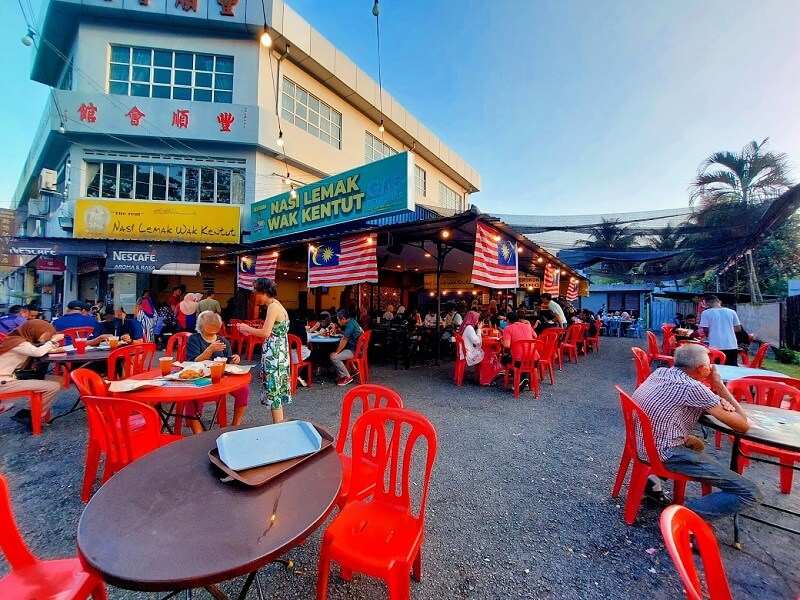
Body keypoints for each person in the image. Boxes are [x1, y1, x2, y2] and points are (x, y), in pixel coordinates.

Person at [632, 343, 760, 519]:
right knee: (750, 493)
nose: (712, 369)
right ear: (701, 369)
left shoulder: (661, 372)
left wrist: (714, 400)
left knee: (696, 444)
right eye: (710, 365)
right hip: (664, 452)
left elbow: (688, 401)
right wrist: (720, 387)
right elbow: (743, 424)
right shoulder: (693, 388)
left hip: (643, 443)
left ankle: (653, 480)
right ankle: (686, 516)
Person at [236, 278, 290, 424]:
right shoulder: (278, 305)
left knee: (274, 392)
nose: (255, 296)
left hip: (274, 355)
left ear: (265, 292)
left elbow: (266, 333)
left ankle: (279, 427)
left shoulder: (273, 307)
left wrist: (247, 328)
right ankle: (279, 424)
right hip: (280, 353)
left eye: (256, 292)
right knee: (276, 392)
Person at [185, 311, 247, 433]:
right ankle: (198, 434)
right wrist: (210, 349)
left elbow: (228, 360)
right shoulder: (194, 339)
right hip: (200, 376)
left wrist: (235, 358)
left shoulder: (223, 341)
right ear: (202, 326)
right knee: (192, 396)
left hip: (220, 378)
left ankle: (235, 426)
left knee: (243, 390)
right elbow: (193, 361)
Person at [0, 321, 64, 429]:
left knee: (58, 380)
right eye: (46, 333)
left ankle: (27, 412)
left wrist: (50, 346)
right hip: (3, 382)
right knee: (53, 386)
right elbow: (37, 352)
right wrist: (52, 341)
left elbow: (36, 349)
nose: (48, 336)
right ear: (35, 331)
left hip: (9, 377)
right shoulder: (18, 343)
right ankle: (33, 416)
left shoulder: (16, 340)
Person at [699, 295, 742, 366]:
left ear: (709, 303)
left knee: (717, 367)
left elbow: (705, 329)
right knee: (732, 368)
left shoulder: (706, 313)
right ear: (719, 302)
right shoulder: (732, 312)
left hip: (715, 345)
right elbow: (738, 328)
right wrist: (727, 330)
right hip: (731, 345)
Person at [330, 309, 363, 387]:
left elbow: (345, 339)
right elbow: (346, 335)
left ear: (343, 319)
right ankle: (354, 370)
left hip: (354, 350)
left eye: (338, 320)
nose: (338, 322)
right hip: (358, 348)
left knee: (334, 357)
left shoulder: (350, 325)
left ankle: (346, 377)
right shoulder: (352, 322)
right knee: (339, 351)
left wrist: (336, 352)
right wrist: (339, 331)